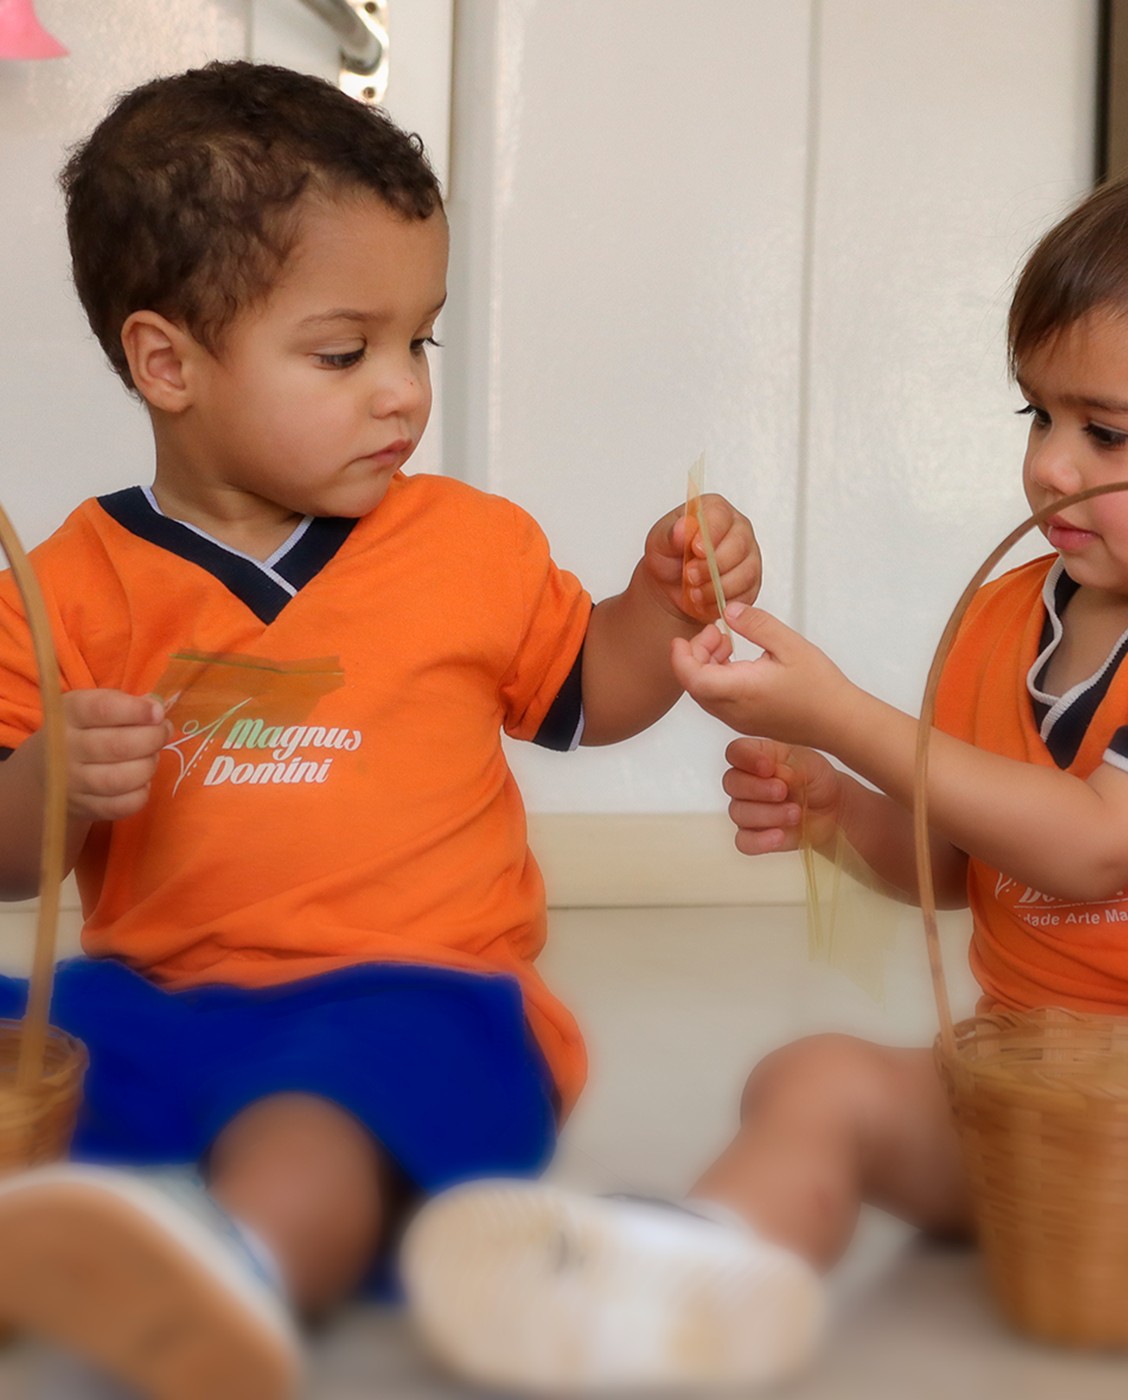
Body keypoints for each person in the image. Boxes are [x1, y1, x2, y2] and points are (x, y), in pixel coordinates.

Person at [424, 132, 1128, 1400]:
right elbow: (961, 862)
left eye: (1105, 432)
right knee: (813, 1078)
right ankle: (690, 1283)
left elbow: (1095, 841)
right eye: (1038, 413)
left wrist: (838, 717)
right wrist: (843, 814)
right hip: (1037, 1089)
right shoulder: (1002, 616)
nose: (1050, 462)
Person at [0, 60, 766, 1400]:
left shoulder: (467, 545)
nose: (403, 391)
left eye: (421, 341)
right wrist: (49, 779)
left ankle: (232, 1279)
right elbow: (11, 863)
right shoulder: (62, 586)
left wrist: (657, 605)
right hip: (151, 1003)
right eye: (344, 353)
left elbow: (593, 689)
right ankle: (83, 1246)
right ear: (166, 362)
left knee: (317, 1127)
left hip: (415, 1001)